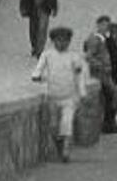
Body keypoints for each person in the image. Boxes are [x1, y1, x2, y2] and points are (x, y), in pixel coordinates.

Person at [31, 26, 88, 163]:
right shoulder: (47, 55)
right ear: (53, 41)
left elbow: (79, 76)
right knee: (53, 126)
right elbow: (38, 69)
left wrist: (82, 92)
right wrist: (36, 75)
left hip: (70, 97)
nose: (62, 43)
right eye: (58, 40)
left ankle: (66, 151)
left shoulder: (74, 57)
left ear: (69, 42)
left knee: (66, 124)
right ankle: (59, 147)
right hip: (53, 96)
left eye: (65, 41)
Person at [84, 15, 117, 133]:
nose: (107, 28)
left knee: (115, 95)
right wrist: (100, 65)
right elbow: (88, 56)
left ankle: (109, 120)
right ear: (99, 25)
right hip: (100, 75)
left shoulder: (103, 39)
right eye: (105, 25)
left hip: (106, 74)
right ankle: (108, 121)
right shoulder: (96, 39)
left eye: (108, 25)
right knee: (115, 95)